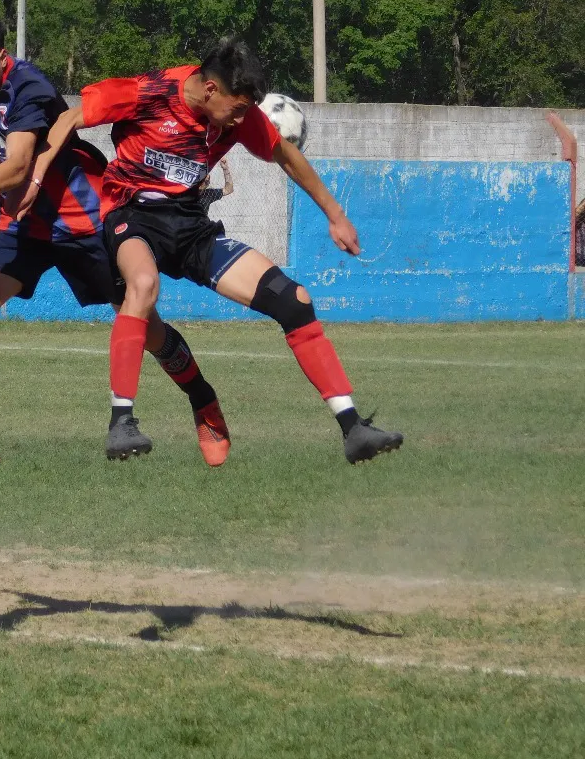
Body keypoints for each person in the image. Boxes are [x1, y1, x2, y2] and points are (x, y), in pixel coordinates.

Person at [0, 0, 230, 478]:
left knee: (145, 325)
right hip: (24, 224)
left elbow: (17, 167)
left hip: (87, 220)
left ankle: (203, 400)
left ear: (0, 55)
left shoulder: (28, 87)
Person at [38, 36, 403, 464]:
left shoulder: (234, 116)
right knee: (142, 284)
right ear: (211, 89)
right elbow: (68, 119)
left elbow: (286, 156)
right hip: (132, 216)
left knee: (294, 301)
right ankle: (123, 421)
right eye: (240, 107)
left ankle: (353, 428)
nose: (243, 119)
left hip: (191, 226)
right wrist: (33, 179)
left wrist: (335, 214)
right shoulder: (150, 92)